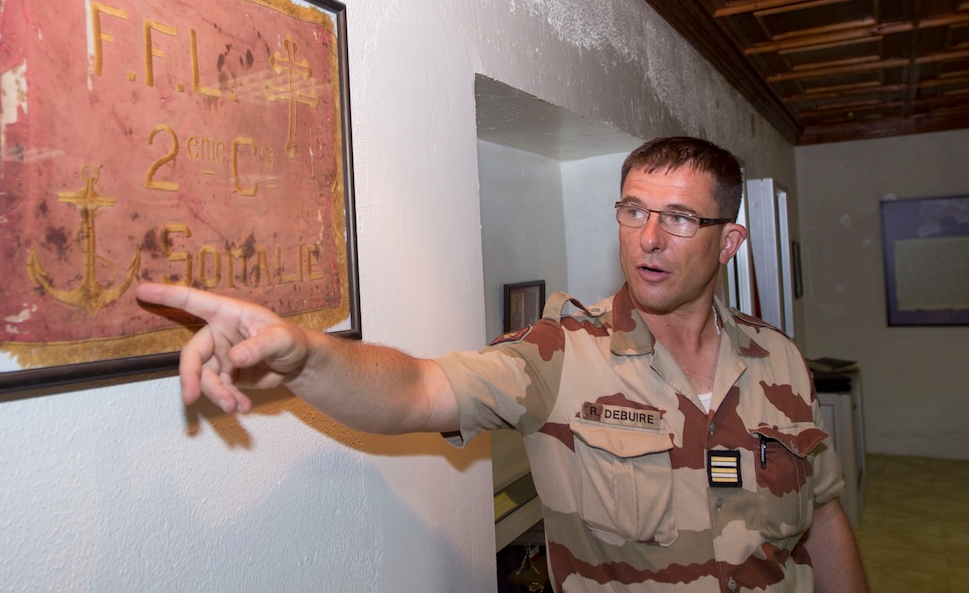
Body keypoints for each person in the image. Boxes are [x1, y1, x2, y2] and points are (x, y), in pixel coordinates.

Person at [136, 136, 867, 592]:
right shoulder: (559, 354)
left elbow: (824, 512)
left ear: (729, 240)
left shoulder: (781, 360)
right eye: (633, 210)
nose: (648, 237)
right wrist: (306, 357)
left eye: (678, 218)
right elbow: (419, 389)